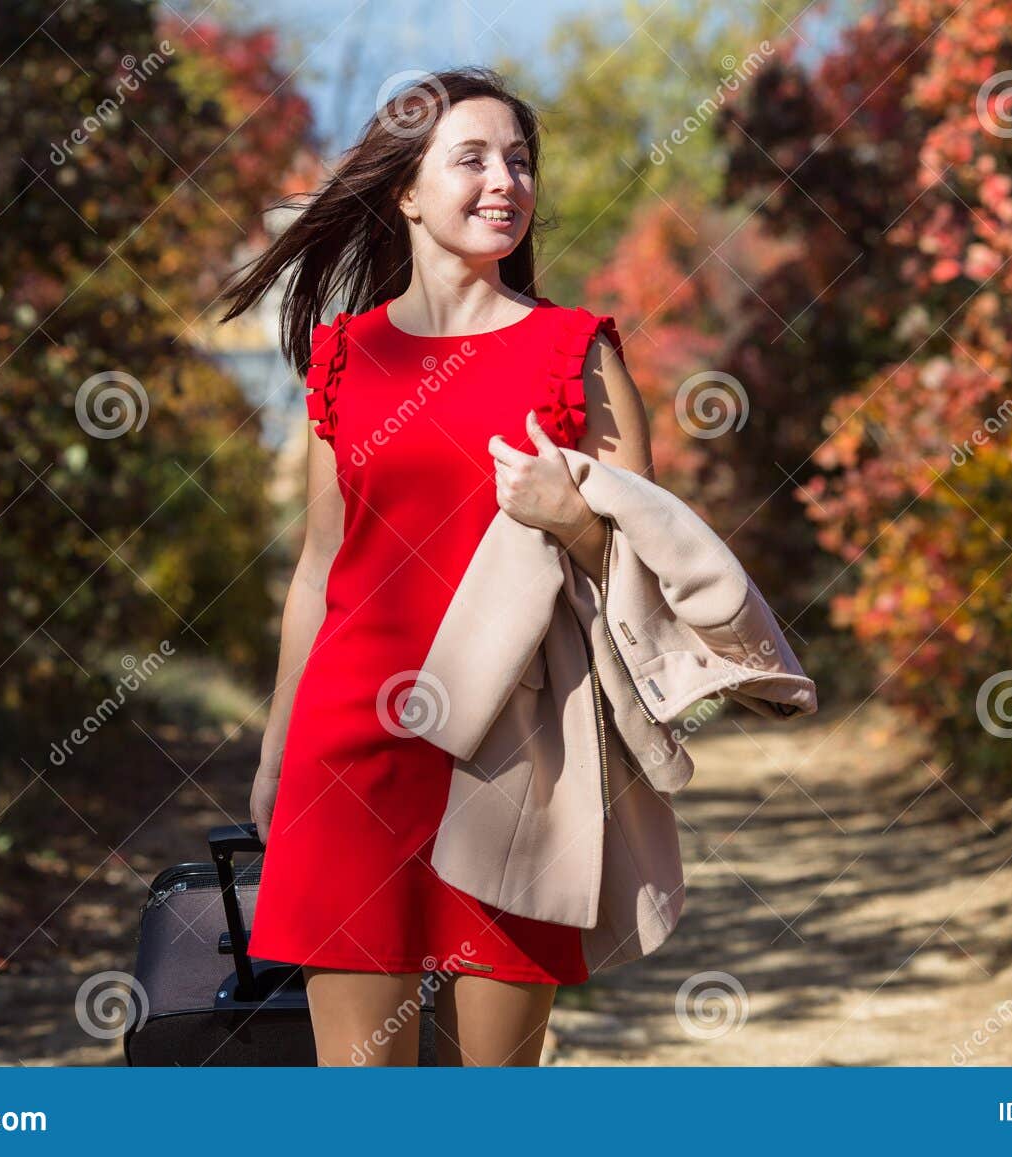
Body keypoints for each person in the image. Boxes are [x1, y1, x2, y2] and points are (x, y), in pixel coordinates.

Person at [215, 66, 654, 1066]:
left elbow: (646, 569)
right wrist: (278, 748)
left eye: (520, 159)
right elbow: (322, 565)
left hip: (515, 753)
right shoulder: (344, 356)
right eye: (473, 158)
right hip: (352, 754)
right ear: (405, 191)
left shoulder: (574, 351)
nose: (506, 179)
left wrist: (572, 521)